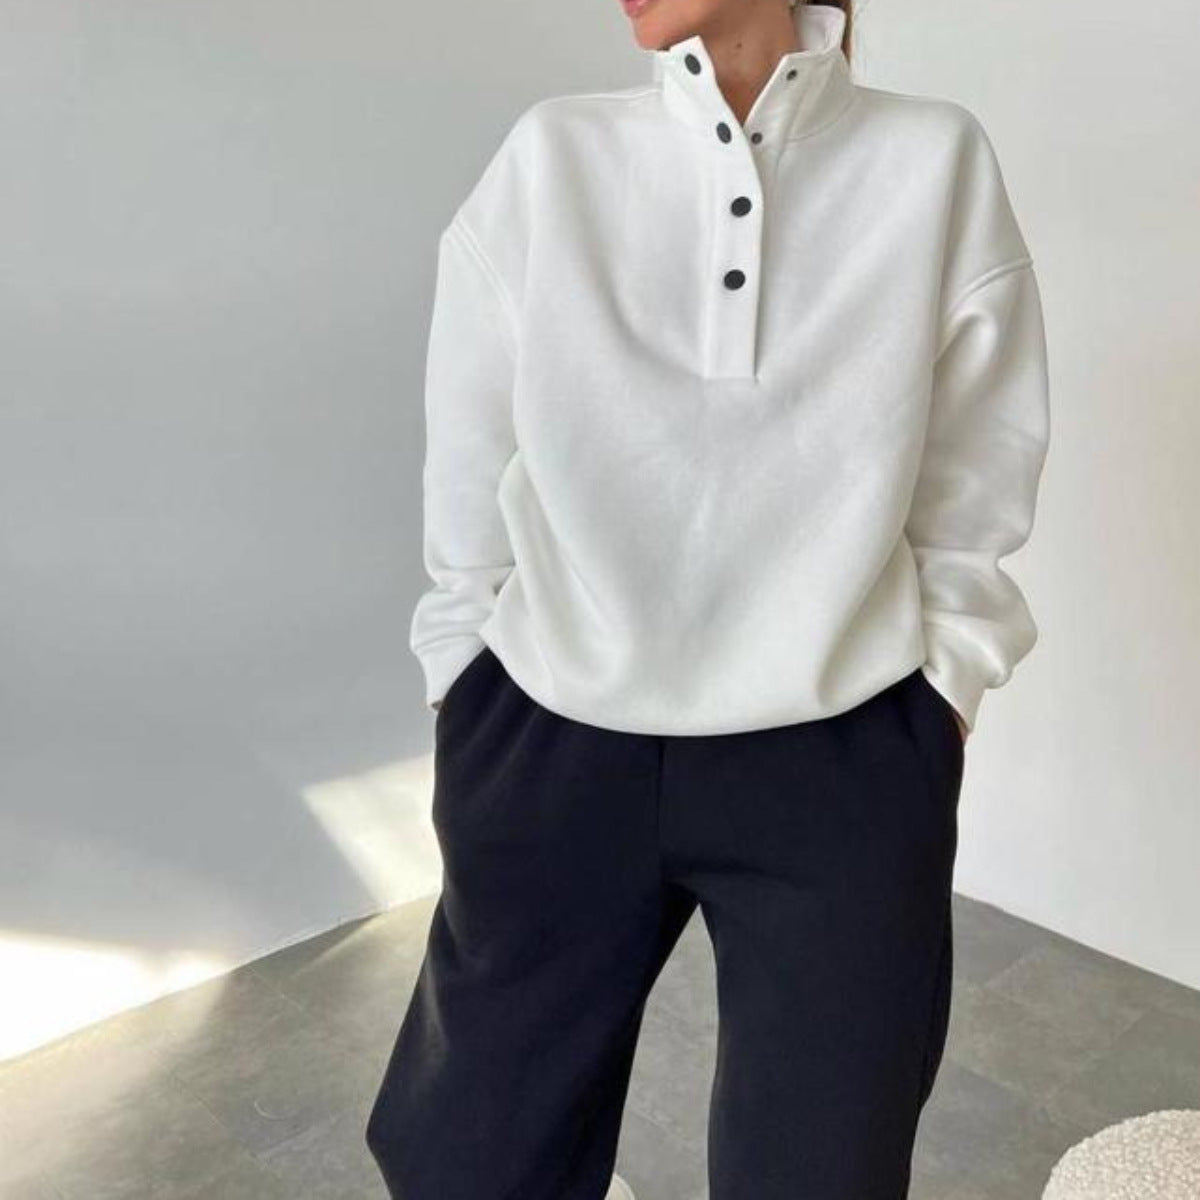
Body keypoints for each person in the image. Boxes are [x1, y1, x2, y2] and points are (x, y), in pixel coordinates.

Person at [366, 1, 1050, 1196]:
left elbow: (975, 468)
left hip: (841, 755)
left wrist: (943, 696)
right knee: (469, 1161)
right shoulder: (555, 154)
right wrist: (460, 678)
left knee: (824, 1171)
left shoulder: (934, 159)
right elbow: (469, 451)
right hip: (551, 734)